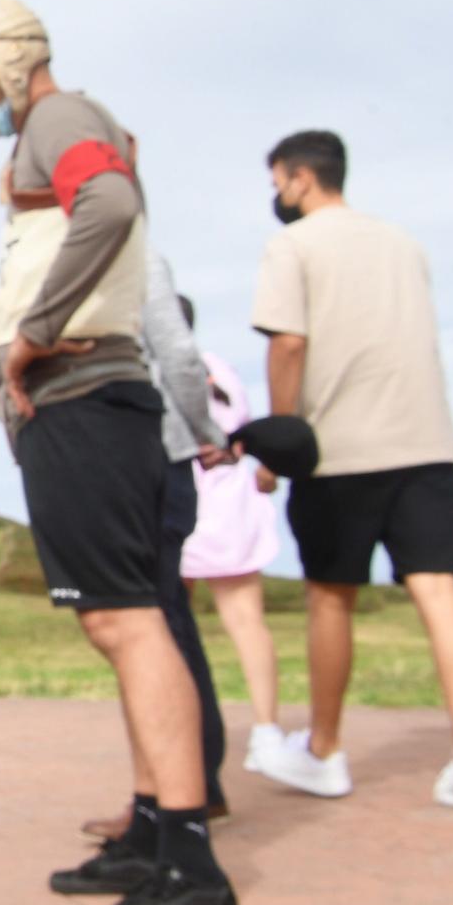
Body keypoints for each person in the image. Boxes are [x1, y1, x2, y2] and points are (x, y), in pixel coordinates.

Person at [0, 0, 238, 905]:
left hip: (84, 397)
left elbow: (108, 202)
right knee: (132, 620)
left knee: (126, 624)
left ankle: (190, 865)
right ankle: (156, 830)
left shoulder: (57, 117)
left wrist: (31, 338)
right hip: (101, 403)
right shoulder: (52, 130)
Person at [249, 130, 453, 813]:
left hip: (340, 450)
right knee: (439, 590)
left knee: (332, 596)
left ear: (301, 178)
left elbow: (290, 345)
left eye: (277, 181)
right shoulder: (404, 245)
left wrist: (282, 441)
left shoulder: (292, 246)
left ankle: (326, 752)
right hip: (427, 445)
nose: (276, 194)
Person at [79, 256, 232, 841]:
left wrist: (206, 433)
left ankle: (175, 801)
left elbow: (180, 355)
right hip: (155, 465)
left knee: (153, 627)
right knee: (169, 623)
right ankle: (195, 787)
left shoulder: (134, 256)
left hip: (150, 462)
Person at [176, 300, 284, 767]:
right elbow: (246, 433)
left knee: (171, 629)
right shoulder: (220, 368)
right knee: (247, 623)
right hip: (232, 502)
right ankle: (266, 730)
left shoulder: (159, 371)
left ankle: (185, 735)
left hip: (185, 500)